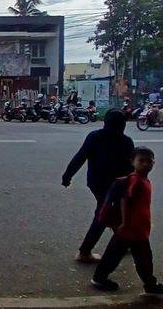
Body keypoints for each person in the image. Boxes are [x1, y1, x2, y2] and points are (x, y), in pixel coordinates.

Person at [91, 147, 163, 295]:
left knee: (118, 255)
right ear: (132, 162)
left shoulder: (144, 180)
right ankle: (150, 285)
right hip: (131, 228)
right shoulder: (137, 181)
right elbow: (125, 200)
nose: (146, 164)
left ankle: (100, 278)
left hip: (135, 228)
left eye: (150, 161)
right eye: (141, 160)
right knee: (142, 258)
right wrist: (125, 222)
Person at [62, 109, 134, 263]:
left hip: (96, 182)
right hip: (115, 185)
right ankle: (84, 251)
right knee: (103, 215)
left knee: (111, 211)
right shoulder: (126, 141)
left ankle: (123, 240)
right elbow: (131, 168)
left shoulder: (95, 137)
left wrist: (68, 175)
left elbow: (80, 157)